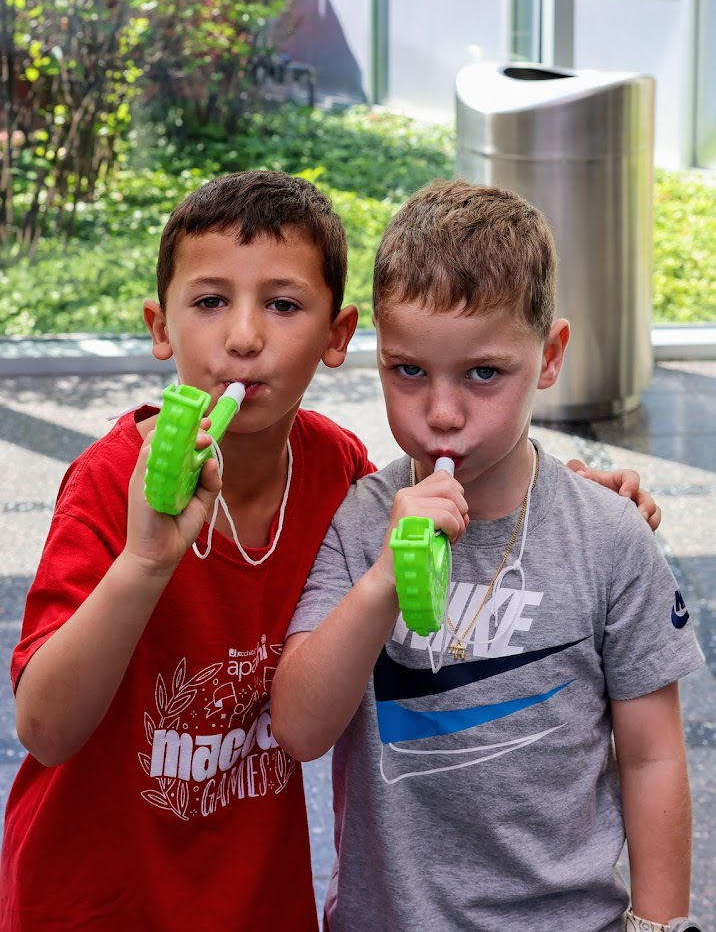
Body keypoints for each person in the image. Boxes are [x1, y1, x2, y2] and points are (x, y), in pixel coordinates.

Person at [0, 168, 662, 931]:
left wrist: (570, 497)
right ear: (160, 326)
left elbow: (443, 489)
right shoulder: (109, 482)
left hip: (256, 906)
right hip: (90, 903)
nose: (243, 336)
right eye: (210, 301)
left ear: (337, 337)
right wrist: (144, 561)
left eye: (282, 305)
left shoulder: (336, 474)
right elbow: (44, 729)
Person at [271, 179, 705, 932]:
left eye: (483, 373)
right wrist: (383, 581)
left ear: (549, 356)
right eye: (409, 370)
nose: (442, 413)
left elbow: (653, 757)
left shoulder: (607, 536)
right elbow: (300, 730)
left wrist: (659, 925)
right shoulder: (361, 519)